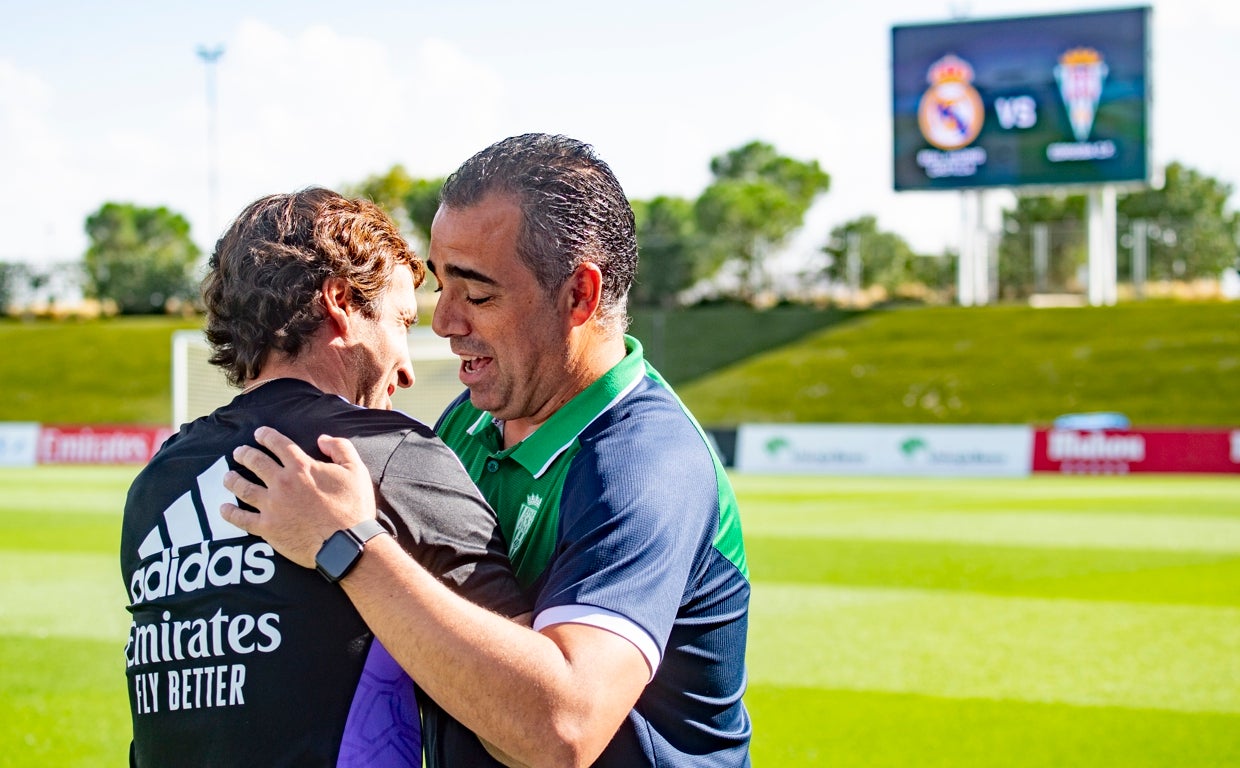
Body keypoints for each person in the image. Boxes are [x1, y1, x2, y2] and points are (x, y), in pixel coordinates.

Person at [222, 133, 752, 767]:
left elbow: (564, 730)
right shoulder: (466, 421)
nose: (443, 322)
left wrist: (349, 547)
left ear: (579, 296)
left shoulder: (645, 463)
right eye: (440, 287)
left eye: (476, 294)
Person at [120, 187, 529, 767]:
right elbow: (531, 721)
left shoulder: (156, 484)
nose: (407, 370)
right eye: (401, 323)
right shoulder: (387, 455)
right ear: (340, 301)